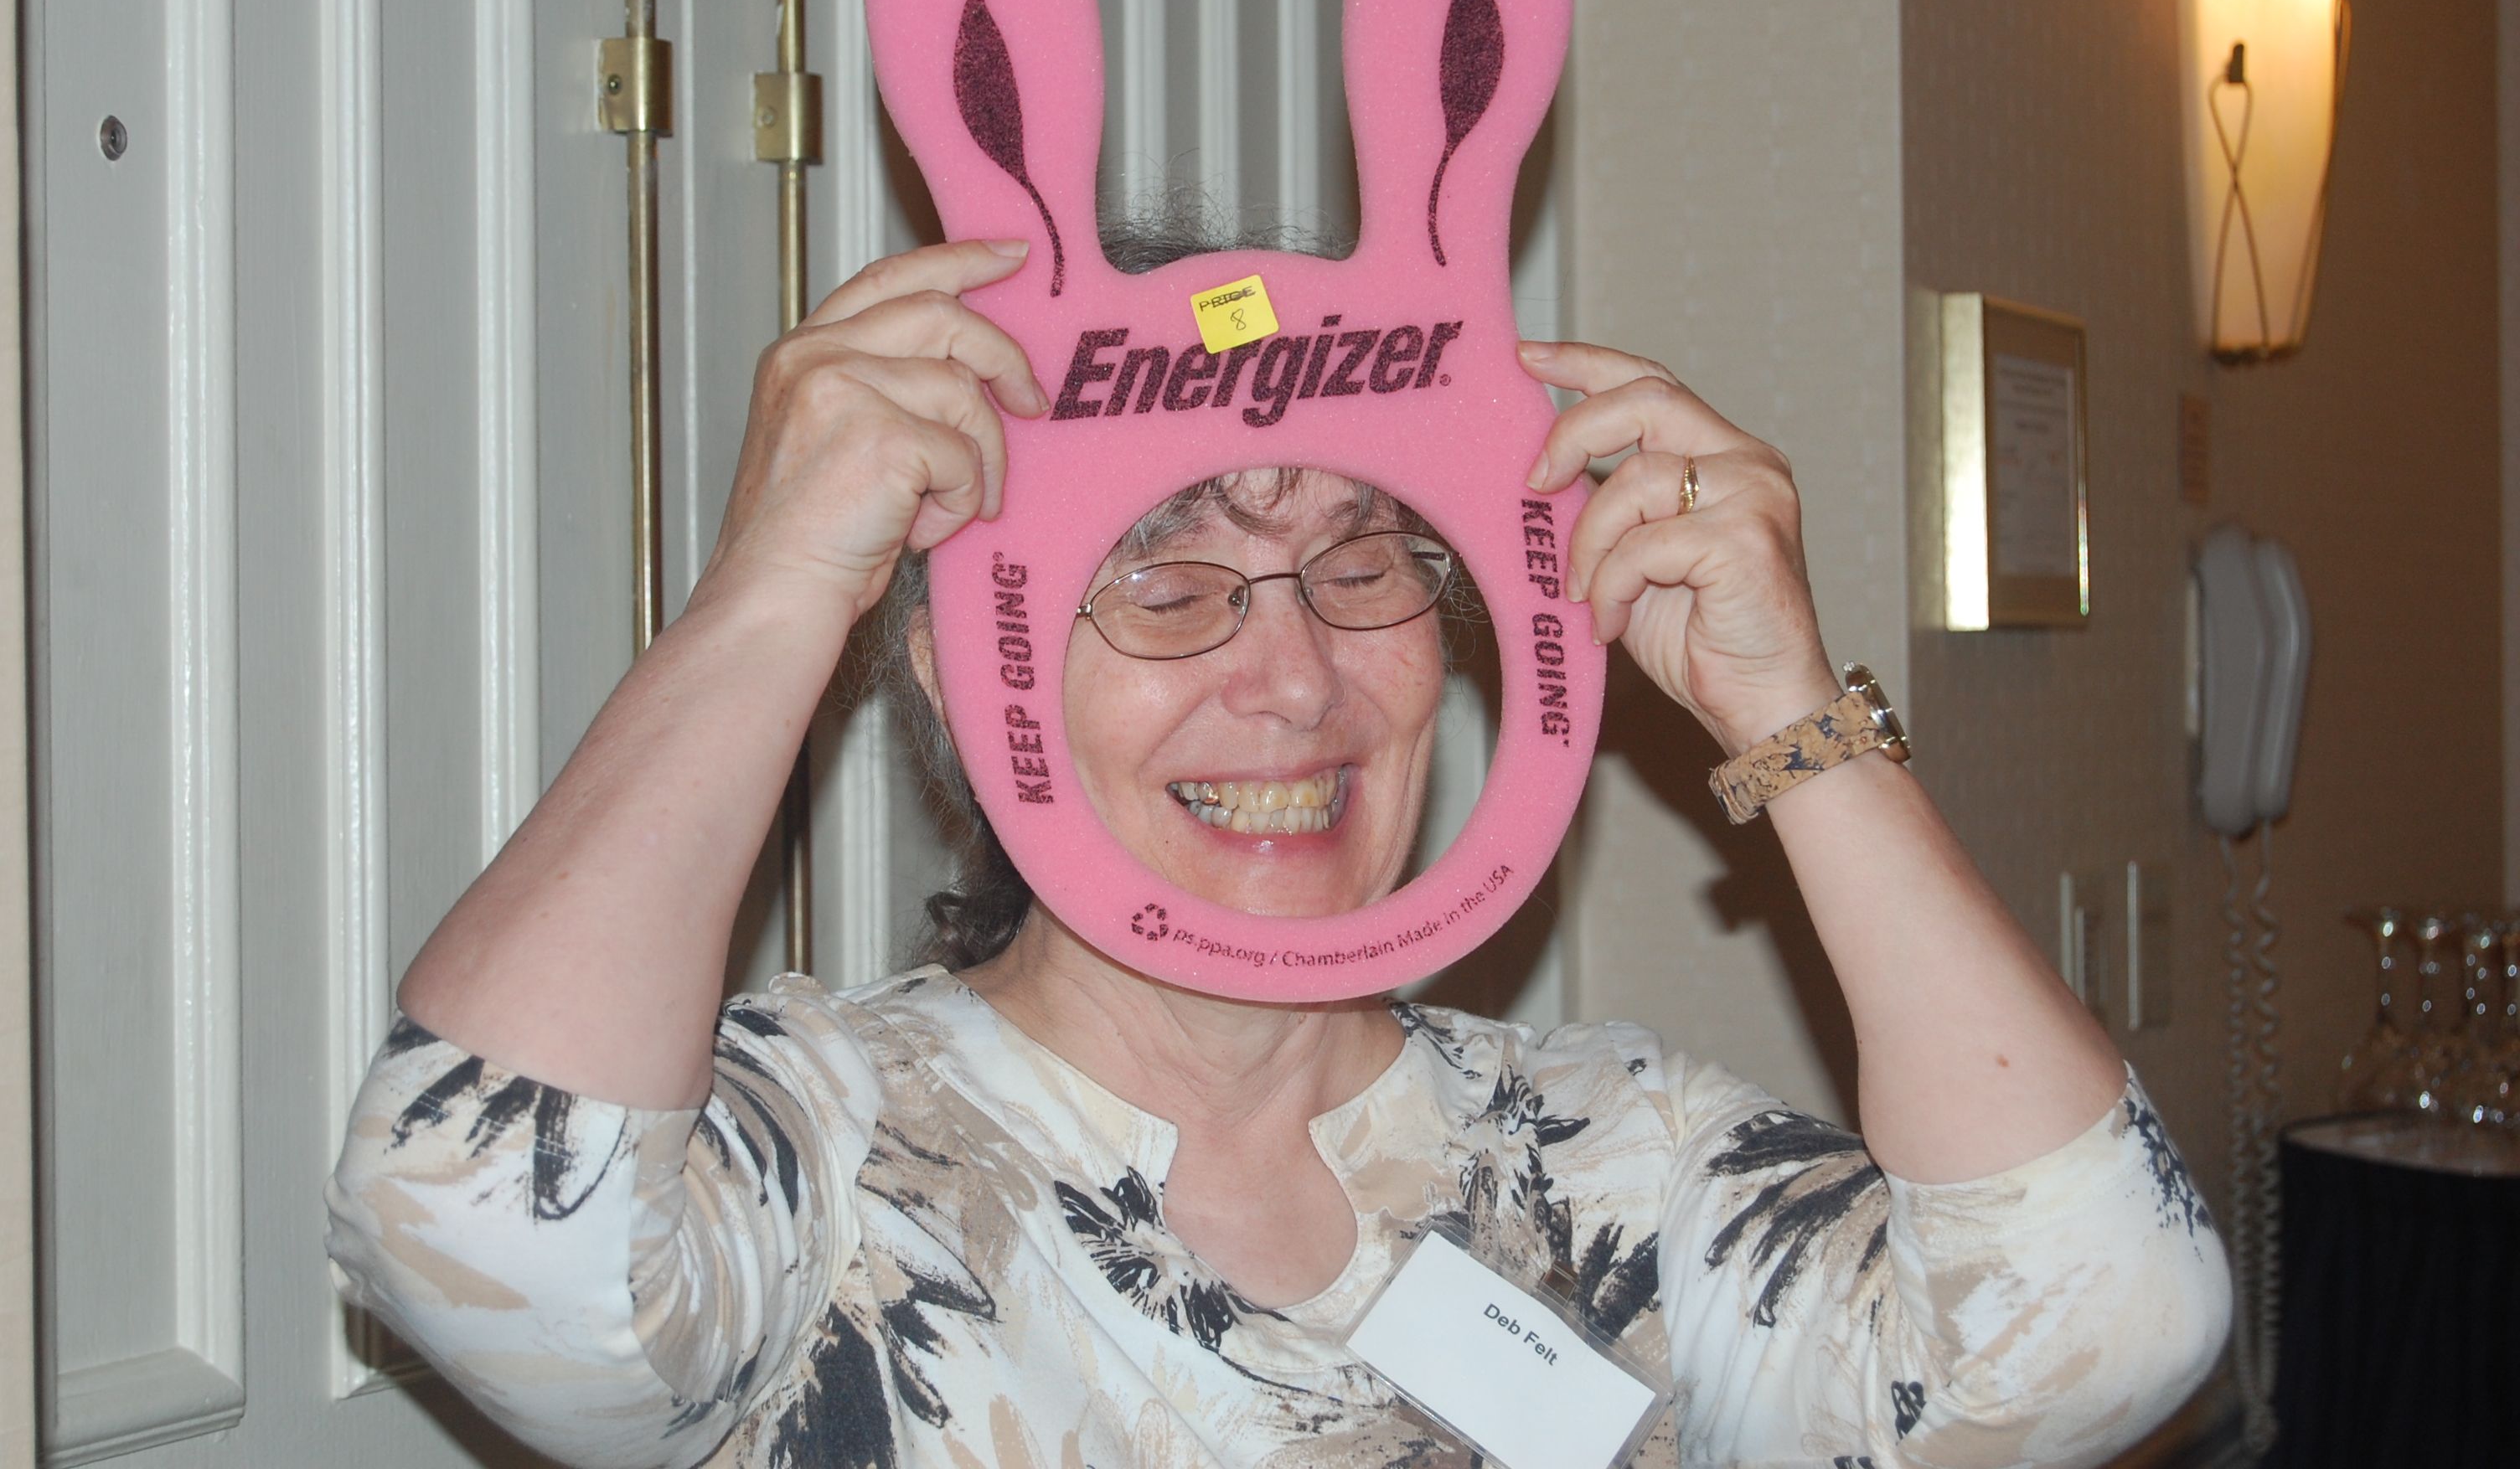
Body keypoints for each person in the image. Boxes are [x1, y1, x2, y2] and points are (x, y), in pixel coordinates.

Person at [327, 235, 2228, 1467]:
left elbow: (2101, 1335)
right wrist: (773, 585)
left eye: (1364, 564)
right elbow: (482, 1214)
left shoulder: (1615, 1163)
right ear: (958, 666)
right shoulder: (813, 1154)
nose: (1296, 675)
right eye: (1165, 584)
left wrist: (1786, 708)